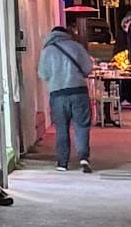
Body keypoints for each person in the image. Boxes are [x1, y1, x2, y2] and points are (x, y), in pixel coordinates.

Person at [38, 19, 97, 171]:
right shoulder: (76, 47)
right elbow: (88, 68)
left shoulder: (47, 51)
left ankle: (62, 162)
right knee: (82, 125)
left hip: (58, 93)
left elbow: (43, 74)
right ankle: (83, 158)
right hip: (78, 91)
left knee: (61, 127)